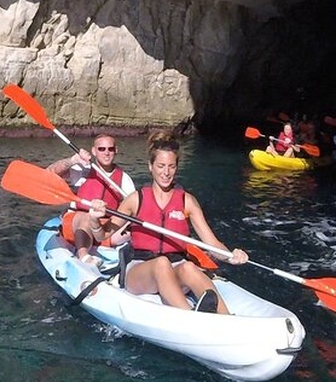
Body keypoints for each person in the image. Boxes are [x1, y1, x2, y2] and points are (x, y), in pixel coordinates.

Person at [87, 130, 248, 314]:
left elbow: (211, 243)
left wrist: (231, 256)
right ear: (150, 166)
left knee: (189, 267)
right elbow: (102, 235)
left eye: (171, 166)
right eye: (161, 166)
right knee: (161, 263)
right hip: (139, 271)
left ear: (177, 167)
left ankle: (227, 318)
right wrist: (94, 219)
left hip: (175, 266)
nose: (166, 172)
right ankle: (190, 316)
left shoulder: (187, 201)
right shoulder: (135, 199)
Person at [46, 133, 135, 265]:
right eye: (101, 149)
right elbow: (49, 173)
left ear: (116, 151)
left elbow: (134, 207)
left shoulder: (124, 179)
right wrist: (73, 160)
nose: (106, 153)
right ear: (94, 151)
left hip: (103, 229)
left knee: (134, 228)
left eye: (110, 149)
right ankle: (84, 256)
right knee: (87, 218)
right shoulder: (83, 169)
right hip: (77, 222)